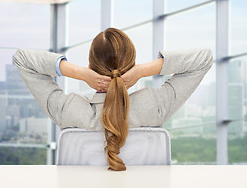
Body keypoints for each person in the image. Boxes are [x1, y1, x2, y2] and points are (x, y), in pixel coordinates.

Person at [13, 27, 213, 171]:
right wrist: (143, 70)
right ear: (132, 66)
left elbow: (22, 58)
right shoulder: (153, 105)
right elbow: (203, 58)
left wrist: (79, 73)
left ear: (90, 67)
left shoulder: (69, 110)